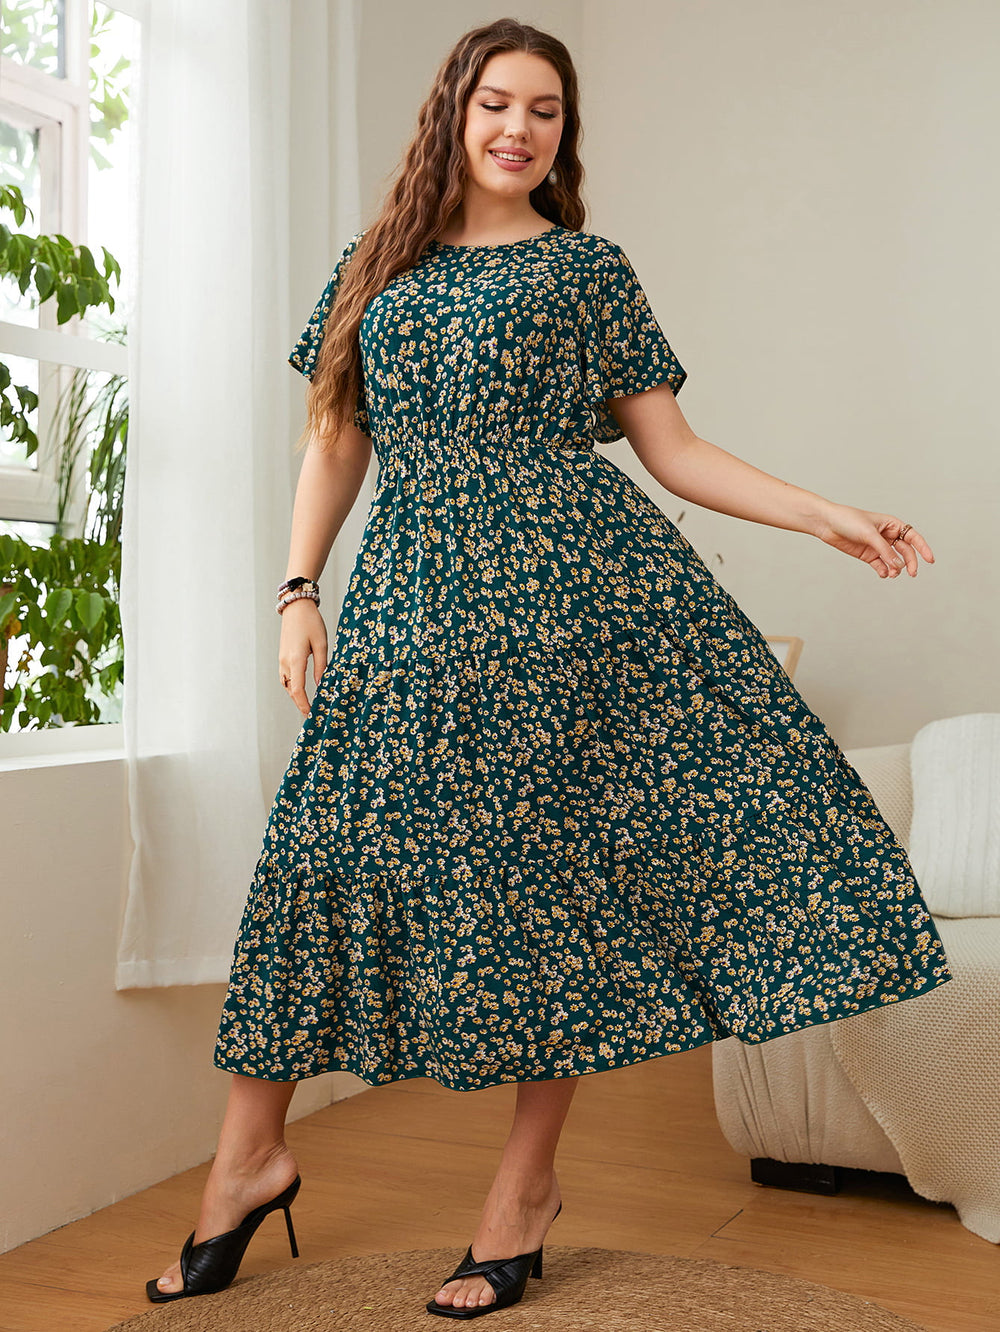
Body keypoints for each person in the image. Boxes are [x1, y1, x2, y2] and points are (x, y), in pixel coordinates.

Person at [148, 17, 953, 1319]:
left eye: (546, 113)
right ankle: (247, 1161)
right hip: (412, 605)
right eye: (498, 105)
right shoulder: (376, 267)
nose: (519, 129)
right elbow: (335, 439)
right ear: (452, 114)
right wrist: (298, 589)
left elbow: (675, 453)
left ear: (563, 138)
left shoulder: (590, 271)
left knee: (554, 899)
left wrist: (825, 514)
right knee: (320, 858)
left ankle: (522, 1195)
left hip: (573, 609)